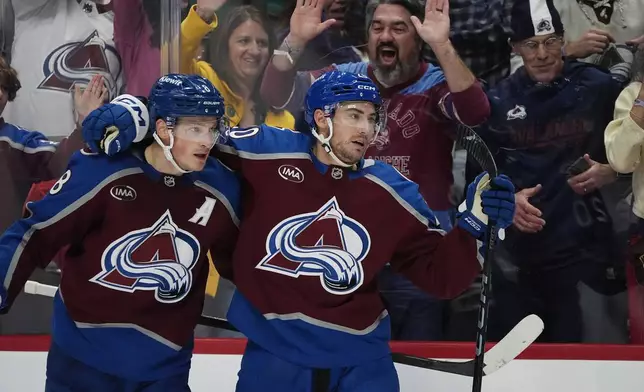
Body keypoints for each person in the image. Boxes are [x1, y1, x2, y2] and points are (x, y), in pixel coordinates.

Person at [86, 70, 516, 391]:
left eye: (371, 118)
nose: (366, 129)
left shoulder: (394, 191)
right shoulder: (263, 151)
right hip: (276, 357)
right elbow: (186, 129)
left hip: (360, 361)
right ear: (320, 119)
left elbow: (440, 278)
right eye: (354, 116)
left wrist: (473, 225)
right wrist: (135, 113)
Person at [261, 0, 491, 341]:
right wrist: (294, 40)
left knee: (417, 369)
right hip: (351, 254)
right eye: (377, 27)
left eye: (399, 28)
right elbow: (274, 94)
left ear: (419, 38)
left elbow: (476, 112)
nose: (386, 35)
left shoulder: (436, 84)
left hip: (417, 258)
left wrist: (443, 44)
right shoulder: (344, 78)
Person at [0, 74, 241, 391]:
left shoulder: (221, 187)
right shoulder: (105, 170)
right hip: (83, 361)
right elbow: (35, 235)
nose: (207, 140)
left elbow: (240, 260)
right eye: (195, 128)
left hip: (165, 366)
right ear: (163, 129)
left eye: (211, 128)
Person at [481, 0, 624, 343]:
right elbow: (479, 178)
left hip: (591, 255)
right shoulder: (498, 102)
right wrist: (508, 200)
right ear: (515, 48)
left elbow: (636, 148)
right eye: (531, 44)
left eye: (550, 41)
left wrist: (614, 171)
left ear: (563, 39)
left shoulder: (598, 87)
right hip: (521, 262)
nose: (542, 53)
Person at [181, 0, 294, 128]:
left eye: (262, 43)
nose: (254, 51)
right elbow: (175, 57)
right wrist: (202, 14)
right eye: (244, 41)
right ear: (225, 46)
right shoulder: (204, 80)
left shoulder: (283, 120)